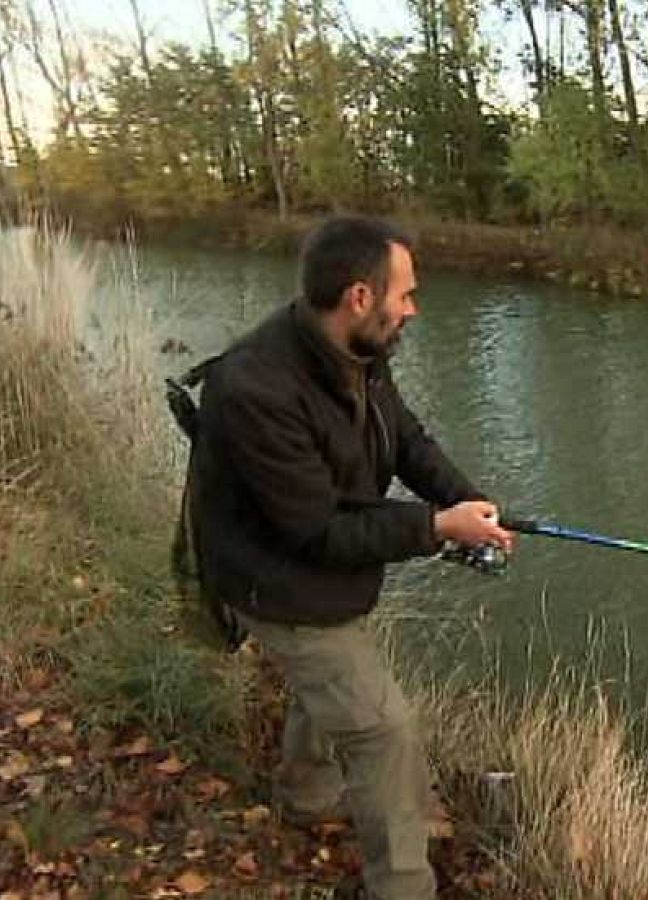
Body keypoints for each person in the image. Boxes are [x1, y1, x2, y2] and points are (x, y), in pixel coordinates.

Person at [184, 215, 514, 899]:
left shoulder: (356, 350)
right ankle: (402, 887)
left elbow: (407, 440)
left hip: (317, 571)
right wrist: (437, 527)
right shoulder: (254, 388)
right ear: (361, 297)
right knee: (384, 731)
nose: (414, 309)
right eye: (407, 294)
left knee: (333, 681)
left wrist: (467, 504)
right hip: (275, 581)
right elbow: (318, 532)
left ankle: (305, 796)